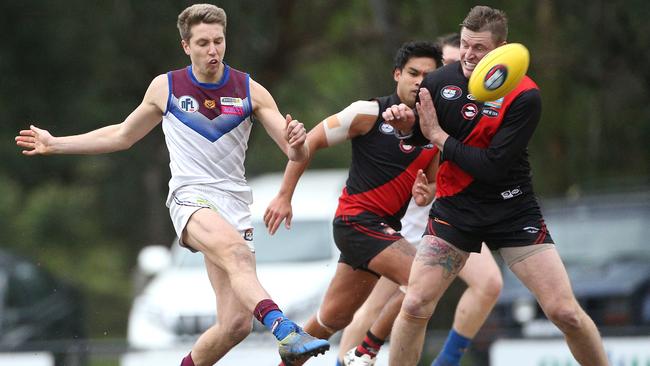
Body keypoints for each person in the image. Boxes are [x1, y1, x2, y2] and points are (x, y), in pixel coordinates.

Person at [14, 4, 330, 366]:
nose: (213, 50)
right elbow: (121, 135)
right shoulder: (166, 87)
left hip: (234, 205)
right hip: (190, 198)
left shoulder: (249, 89)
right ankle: (286, 331)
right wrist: (56, 143)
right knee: (237, 254)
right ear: (186, 46)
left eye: (219, 41)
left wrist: (297, 139)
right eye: (203, 43)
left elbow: (293, 152)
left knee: (236, 325)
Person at [382, 5, 608, 366]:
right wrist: (407, 126)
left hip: (512, 211)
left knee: (564, 312)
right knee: (414, 305)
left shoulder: (525, 96)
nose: (469, 55)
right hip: (455, 211)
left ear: (502, 48)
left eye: (480, 49)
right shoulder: (441, 82)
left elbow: (490, 166)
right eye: (466, 45)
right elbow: (423, 140)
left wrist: (436, 135)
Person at [263, 41, 442, 366]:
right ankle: (366, 350)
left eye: (428, 76)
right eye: (413, 73)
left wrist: (424, 194)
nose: (419, 81)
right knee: (424, 278)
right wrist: (284, 195)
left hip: (379, 232)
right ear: (397, 74)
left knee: (330, 321)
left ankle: (288, 357)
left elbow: (429, 185)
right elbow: (310, 141)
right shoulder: (367, 113)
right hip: (356, 222)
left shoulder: (434, 131)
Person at [336, 34, 503, 366]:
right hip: (411, 217)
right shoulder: (419, 103)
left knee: (487, 284)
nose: (460, 71)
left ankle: (446, 360)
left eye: (465, 66)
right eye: (452, 65)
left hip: (452, 213)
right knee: (382, 302)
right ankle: (349, 359)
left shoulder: (476, 103)